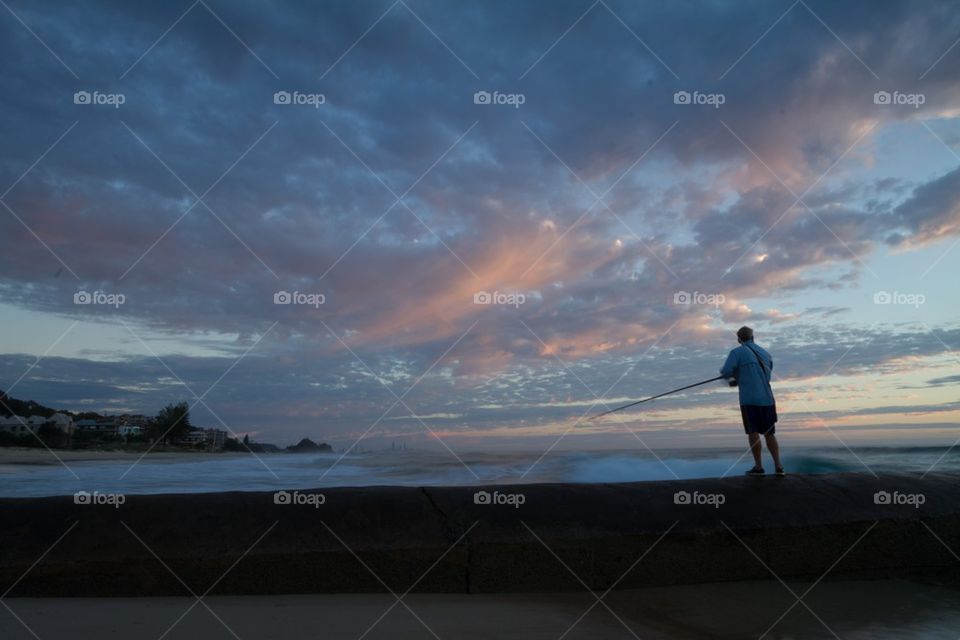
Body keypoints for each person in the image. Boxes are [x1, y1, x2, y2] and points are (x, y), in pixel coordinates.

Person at [721, 326, 783, 476]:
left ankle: (759, 467)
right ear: (753, 337)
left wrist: (733, 380)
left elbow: (726, 371)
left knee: (753, 432)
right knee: (770, 433)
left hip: (749, 399)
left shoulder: (736, 352)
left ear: (739, 340)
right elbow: (766, 376)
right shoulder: (766, 354)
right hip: (767, 398)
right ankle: (779, 466)